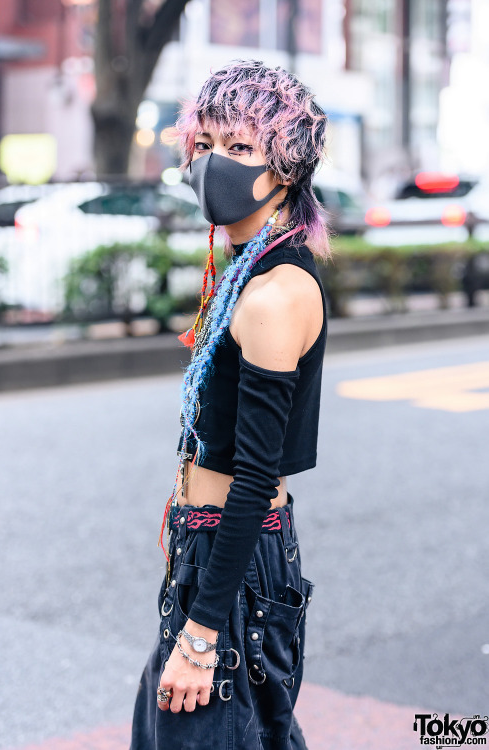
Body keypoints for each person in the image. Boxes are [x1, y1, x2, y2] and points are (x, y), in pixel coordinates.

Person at [130, 59, 332, 750]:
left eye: (239, 148)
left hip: (235, 559)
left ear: (285, 167)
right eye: (208, 145)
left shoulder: (276, 293)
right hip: (208, 546)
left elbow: (255, 476)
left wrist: (202, 633)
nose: (215, 164)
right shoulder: (245, 271)